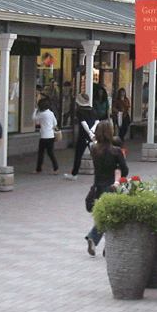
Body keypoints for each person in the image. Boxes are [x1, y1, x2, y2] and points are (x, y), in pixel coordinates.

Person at [85, 120, 129, 256]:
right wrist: (117, 167)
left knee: (105, 215)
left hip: (97, 186)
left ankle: (98, 241)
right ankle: (101, 242)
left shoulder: (93, 149)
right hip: (111, 187)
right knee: (111, 216)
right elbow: (125, 170)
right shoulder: (116, 151)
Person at [64, 92, 97, 180]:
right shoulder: (93, 110)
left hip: (83, 136)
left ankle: (74, 174)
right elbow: (97, 121)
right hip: (93, 136)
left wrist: (89, 132)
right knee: (96, 155)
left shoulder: (80, 111)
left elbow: (83, 123)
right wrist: (92, 132)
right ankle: (102, 173)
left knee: (78, 155)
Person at [32, 97, 59, 175]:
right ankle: (56, 169)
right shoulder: (51, 113)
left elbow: (33, 118)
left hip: (44, 136)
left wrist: (35, 109)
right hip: (51, 136)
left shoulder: (43, 114)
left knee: (41, 153)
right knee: (50, 153)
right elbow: (55, 123)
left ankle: (38, 169)